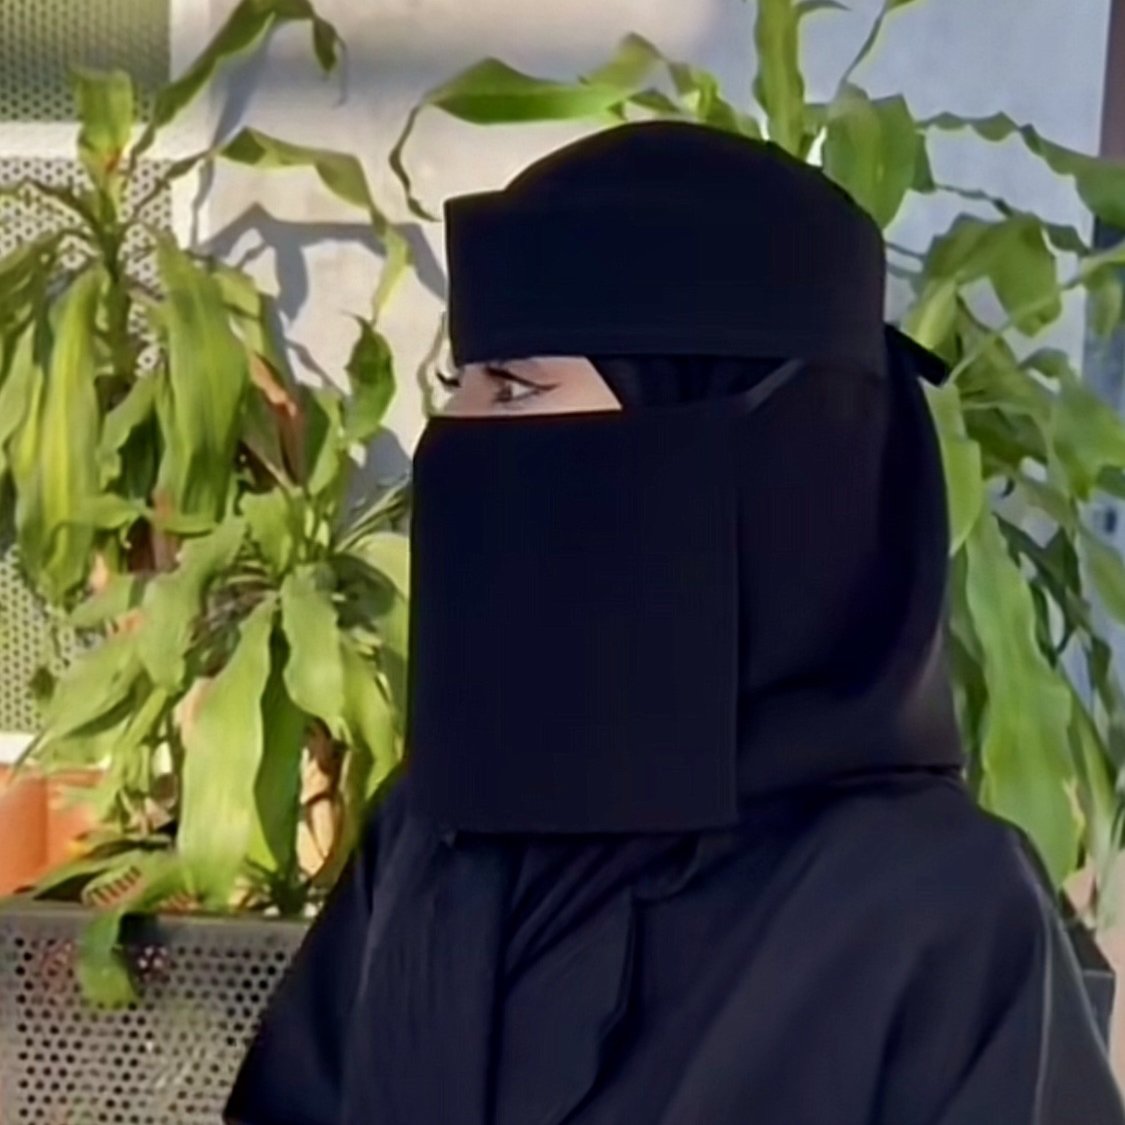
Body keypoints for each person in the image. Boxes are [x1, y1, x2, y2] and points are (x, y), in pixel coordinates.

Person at [225, 122, 1125, 1124]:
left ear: (742, 457)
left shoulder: (937, 913)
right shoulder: (435, 834)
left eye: (515, 387)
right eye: (458, 385)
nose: (452, 438)